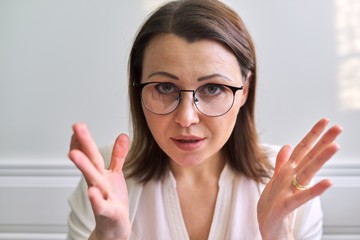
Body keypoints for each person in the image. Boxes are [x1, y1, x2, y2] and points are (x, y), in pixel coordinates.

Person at [67, 0, 343, 239]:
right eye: (165, 87)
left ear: (244, 90)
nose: (186, 118)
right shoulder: (105, 176)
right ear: (137, 87)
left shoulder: (285, 183)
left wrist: (279, 236)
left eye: (213, 89)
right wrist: (106, 237)